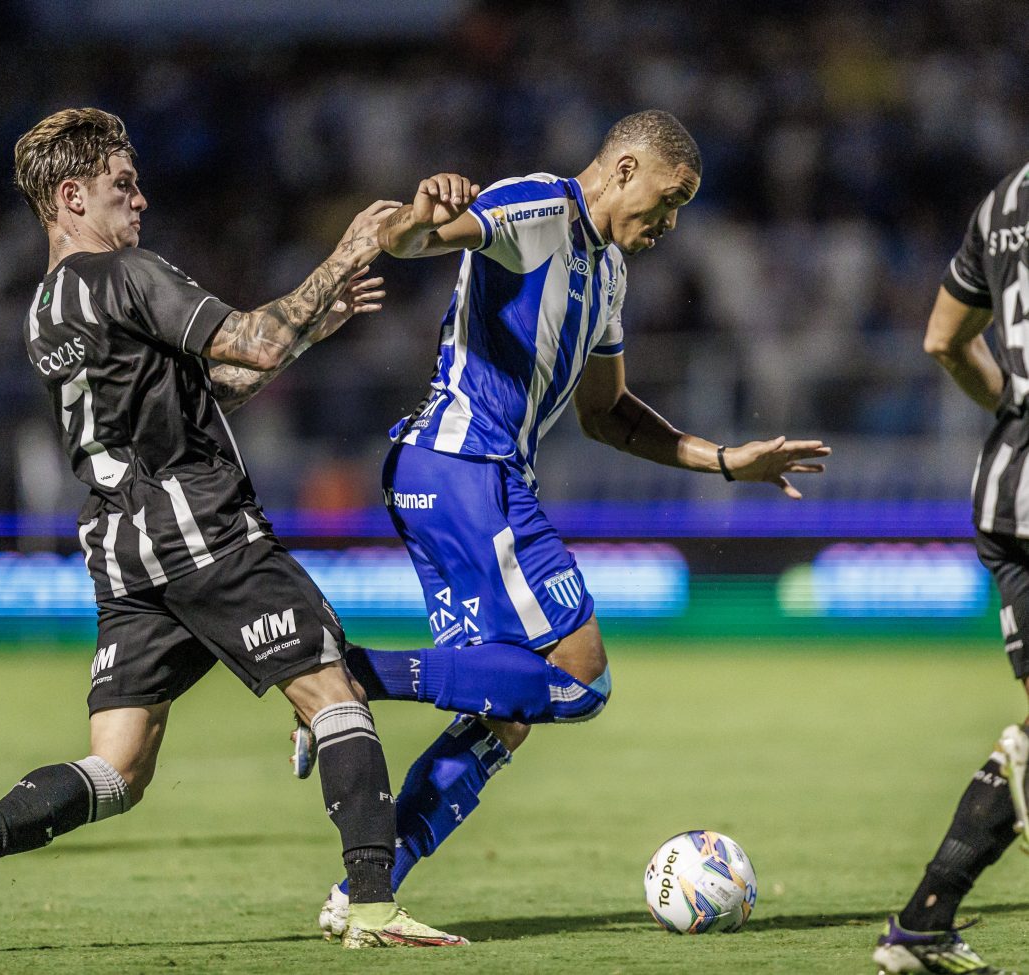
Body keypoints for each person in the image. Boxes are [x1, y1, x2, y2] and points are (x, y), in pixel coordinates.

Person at [0, 107, 466, 953]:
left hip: (123, 553)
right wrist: (349, 250)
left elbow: (207, 396)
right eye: (122, 186)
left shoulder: (45, 312)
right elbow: (252, 345)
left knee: (117, 768)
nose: (141, 199)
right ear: (71, 196)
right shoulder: (124, 274)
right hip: (200, 531)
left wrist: (313, 323)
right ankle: (374, 907)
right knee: (332, 693)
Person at [296, 109, 831, 935]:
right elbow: (412, 241)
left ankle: (366, 890)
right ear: (622, 169)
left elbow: (607, 412)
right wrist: (426, 208)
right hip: (467, 466)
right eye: (669, 197)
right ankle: (343, 677)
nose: (672, 222)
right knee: (580, 678)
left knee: (506, 711)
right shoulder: (540, 210)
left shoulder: (608, 272)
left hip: (453, 477)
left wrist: (728, 461)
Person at [870, 160, 1029, 975]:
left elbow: (942, 339)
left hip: (1008, 491)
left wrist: (1014, 406)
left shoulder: (1003, 201)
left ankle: (925, 921)